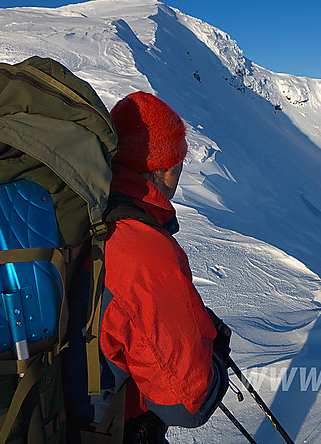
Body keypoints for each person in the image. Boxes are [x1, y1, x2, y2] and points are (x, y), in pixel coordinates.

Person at [64, 91, 230, 443]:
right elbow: (188, 404)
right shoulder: (144, 251)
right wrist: (214, 356)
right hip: (106, 433)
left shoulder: (87, 213)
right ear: (167, 167)